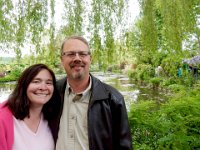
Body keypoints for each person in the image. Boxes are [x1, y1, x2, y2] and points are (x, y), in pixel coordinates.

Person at [53, 36, 133, 150]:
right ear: (62, 59)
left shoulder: (113, 99)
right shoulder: (51, 93)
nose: (77, 58)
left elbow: (124, 146)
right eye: (71, 54)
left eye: (82, 54)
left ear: (90, 58)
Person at [0, 64, 59, 150]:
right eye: (36, 81)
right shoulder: (2, 119)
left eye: (48, 83)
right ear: (24, 85)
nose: (43, 87)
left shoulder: (52, 118)